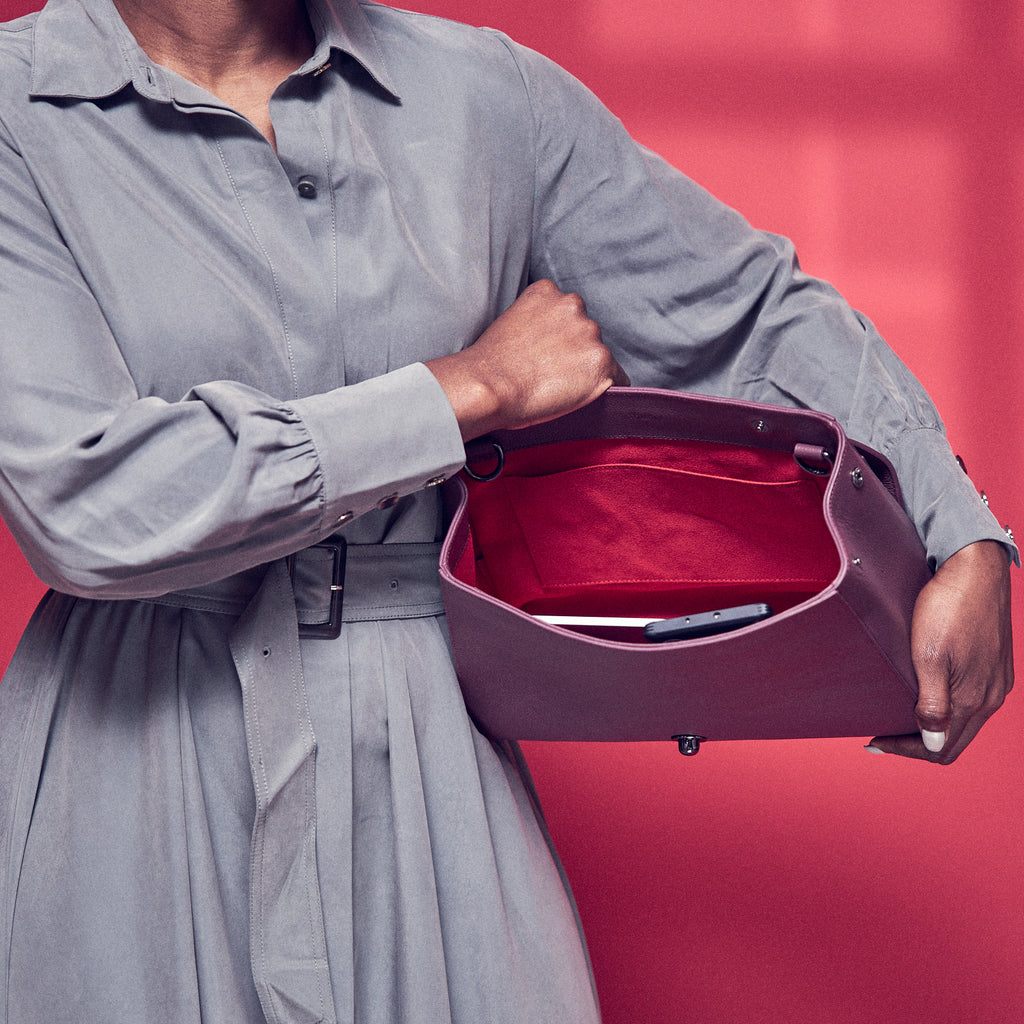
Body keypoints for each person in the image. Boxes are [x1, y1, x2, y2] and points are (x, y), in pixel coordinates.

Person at [0, 0, 1014, 1021]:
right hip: (125, 765)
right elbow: (83, 501)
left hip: (429, 745)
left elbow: (748, 317)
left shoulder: (482, 93)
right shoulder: (13, 109)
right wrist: (462, 391)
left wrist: (957, 523)